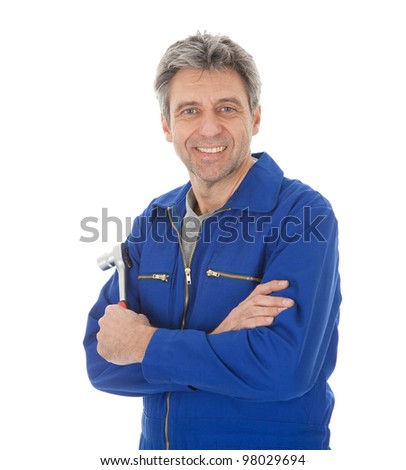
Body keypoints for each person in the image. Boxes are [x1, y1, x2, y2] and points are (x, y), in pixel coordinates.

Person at [83, 32, 341, 450]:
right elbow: (103, 359)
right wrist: (221, 337)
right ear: (167, 125)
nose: (209, 128)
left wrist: (147, 345)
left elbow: (284, 369)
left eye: (227, 107)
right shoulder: (156, 219)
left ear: (255, 118)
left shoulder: (302, 216)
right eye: (189, 110)